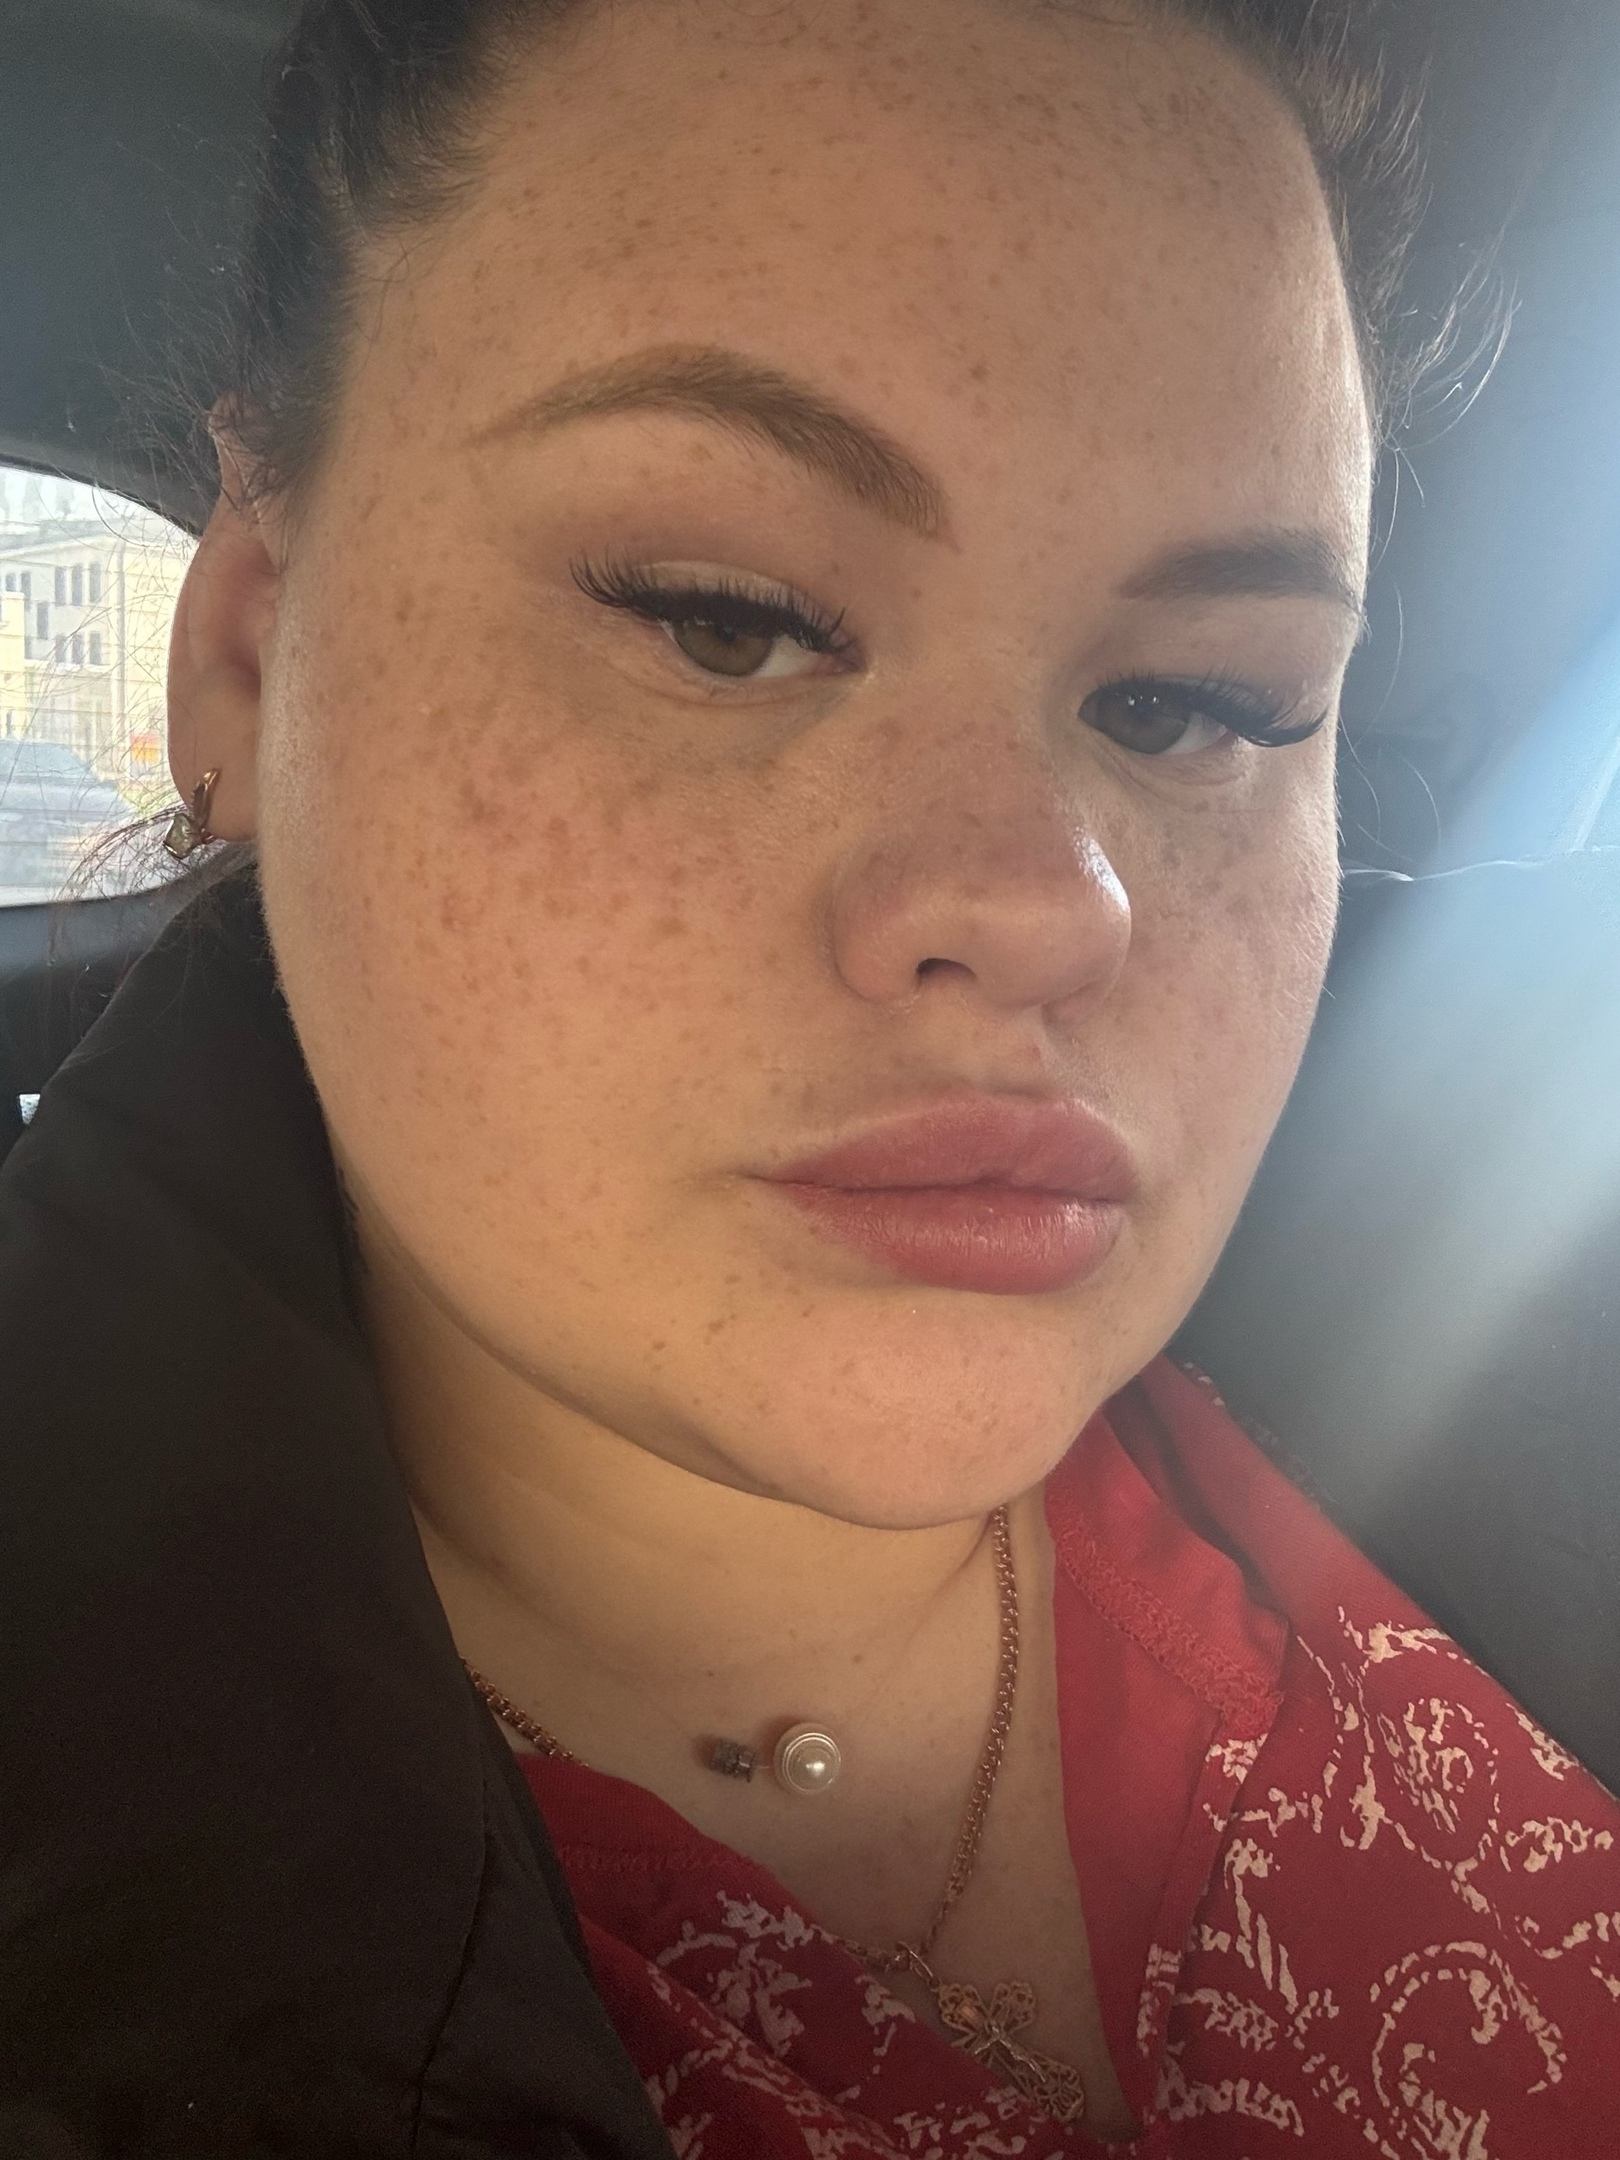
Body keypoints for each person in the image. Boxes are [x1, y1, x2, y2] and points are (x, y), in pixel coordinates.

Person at [1, 0, 1615, 2153]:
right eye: (726, 616)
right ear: (245, 655)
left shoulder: (1531, 1278)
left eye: (1195, 704)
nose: (1048, 907)